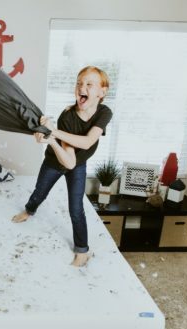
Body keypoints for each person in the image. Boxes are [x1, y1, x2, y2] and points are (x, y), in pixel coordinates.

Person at [12, 66, 113, 267]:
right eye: (79, 83)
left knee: (76, 209)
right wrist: (50, 139)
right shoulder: (67, 116)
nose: (81, 87)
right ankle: (29, 210)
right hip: (55, 160)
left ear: (102, 92)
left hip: (78, 164)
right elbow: (67, 159)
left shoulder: (104, 112)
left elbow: (85, 144)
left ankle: (82, 250)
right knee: (40, 192)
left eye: (89, 84)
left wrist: (53, 133)